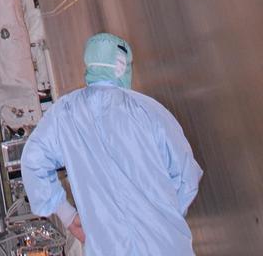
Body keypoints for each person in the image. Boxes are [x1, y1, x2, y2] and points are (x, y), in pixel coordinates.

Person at [20, 32, 202, 254]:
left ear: (90, 66)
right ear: (121, 66)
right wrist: (163, 214)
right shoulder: (150, 110)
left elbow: (33, 160)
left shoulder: (64, 114)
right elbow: (187, 176)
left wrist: (68, 215)